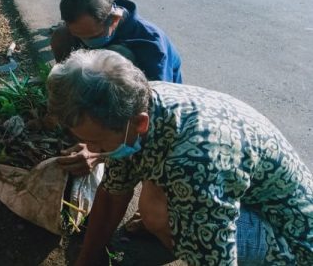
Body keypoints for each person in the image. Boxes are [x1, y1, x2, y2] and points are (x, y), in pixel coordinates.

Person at [46, 49, 313, 266]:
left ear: (140, 123)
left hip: (292, 242)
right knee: (159, 201)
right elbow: (113, 192)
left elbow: (216, 257)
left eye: (97, 142)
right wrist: (86, 260)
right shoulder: (134, 101)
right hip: (247, 198)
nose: (91, 150)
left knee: (164, 213)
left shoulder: (195, 164)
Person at [50, 0, 182, 176]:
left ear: (114, 19)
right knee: (61, 36)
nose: (87, 43)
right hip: (103, 91)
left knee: (118, 55)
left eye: (93, 36)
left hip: (141, 106)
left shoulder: (151, 45)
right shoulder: (77, 32)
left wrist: (100, 153)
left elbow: (151, 114)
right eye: (80, 36)